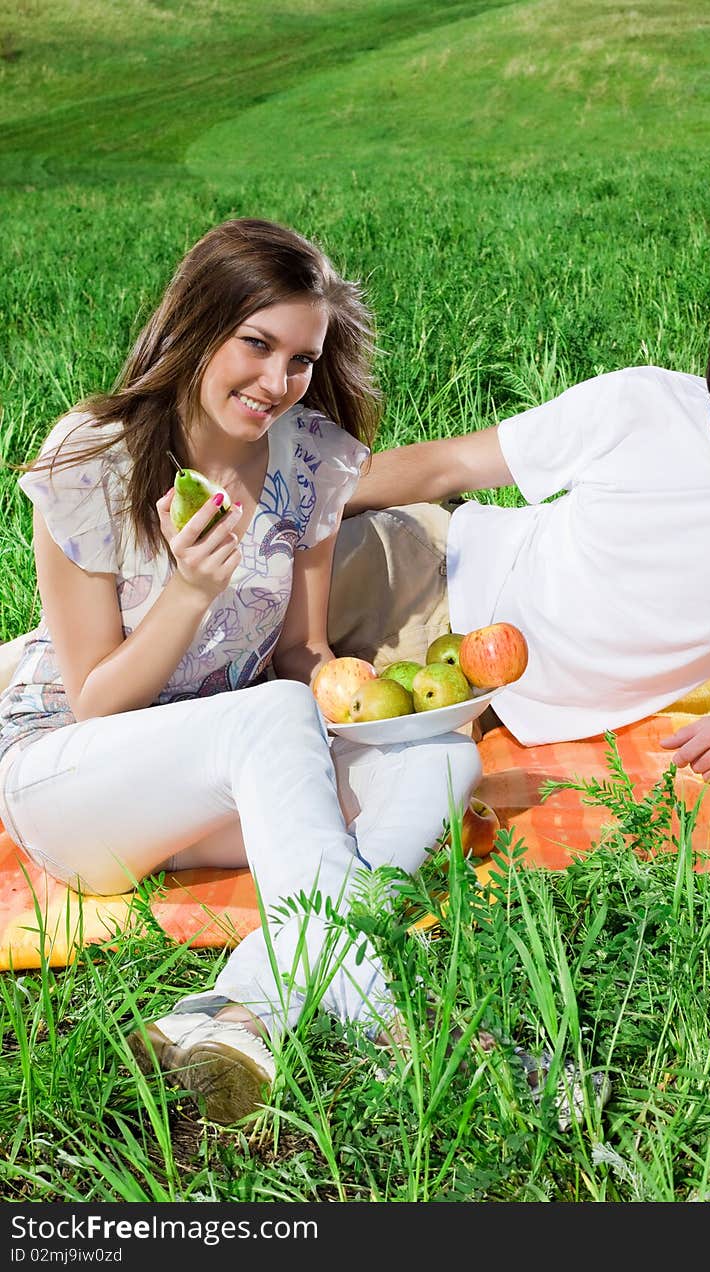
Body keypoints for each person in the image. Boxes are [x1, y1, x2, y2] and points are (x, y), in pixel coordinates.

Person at [0, 218, 481, 1124]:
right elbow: (94, 704)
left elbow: (301, 655)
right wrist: (187, 591)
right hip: (68, 781)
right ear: (197, 326)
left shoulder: (311, 461)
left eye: (301, 359)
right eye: (257, 345)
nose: (278, 382)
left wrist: (371, 705)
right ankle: (395, 1014)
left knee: (443, 759)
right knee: (267, 714)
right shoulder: (92, 459)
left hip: (218, 777)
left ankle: (240, 1008)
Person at [342, 239, 710, 787]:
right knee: (258, 584)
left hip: (484, 700)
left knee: (338, 791)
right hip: (436, 570)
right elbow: (448, 465)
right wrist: (298, 505)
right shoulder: (643, 402)